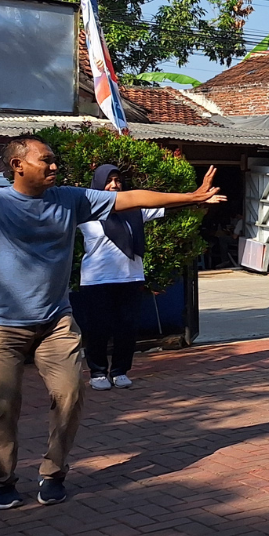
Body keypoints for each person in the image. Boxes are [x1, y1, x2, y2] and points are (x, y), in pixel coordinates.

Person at [0, 135, 223, 510]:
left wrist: (190, 197)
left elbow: (131, 199)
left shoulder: (70, 199)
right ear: (17, 165)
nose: (54, 166)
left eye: (54, 159)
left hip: (55, 321)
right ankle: (0, 481)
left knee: (71, 393)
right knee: (3, 405)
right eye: (46, 160)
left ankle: (53, 473)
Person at [72, 165, 171, 391]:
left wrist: (197, 198)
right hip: (97, 280)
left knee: (127, 328)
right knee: (98, 328)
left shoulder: (135, 210)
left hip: (130, 277)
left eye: (117, 180)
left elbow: (164, 204)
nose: (114, 185)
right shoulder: (85, 212)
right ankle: (98, 372)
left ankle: (120, 371)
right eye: (108, 181)